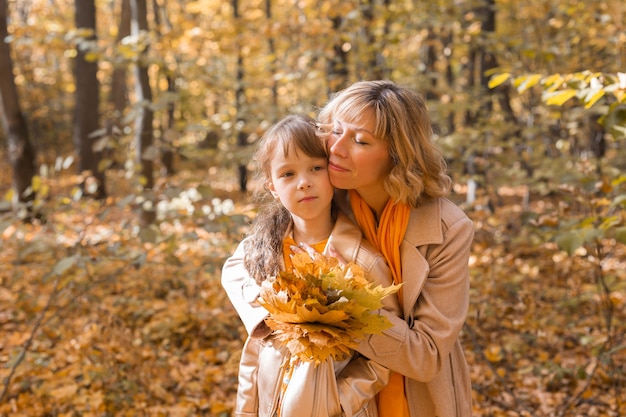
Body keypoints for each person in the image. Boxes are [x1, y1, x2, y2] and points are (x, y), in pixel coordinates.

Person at [221, 114, 401, 417]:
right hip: (270, 406)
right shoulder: (264, 250)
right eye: (288, 174)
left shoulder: (362, 259)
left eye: (316, 168)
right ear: (273, 187)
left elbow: (386, 349)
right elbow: (234, 275)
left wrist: (341, 400)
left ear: (333, 172)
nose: (304, 182)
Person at [313, 80, 474, 417]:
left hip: (421, 398)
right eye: (336, 131)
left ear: (398, 156)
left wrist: (345, 305)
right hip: (339, 393)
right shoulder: (321, 197)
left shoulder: (449, 228)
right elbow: (244, 263)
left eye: (360, 141)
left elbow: (426, 355)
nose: (337, 148)